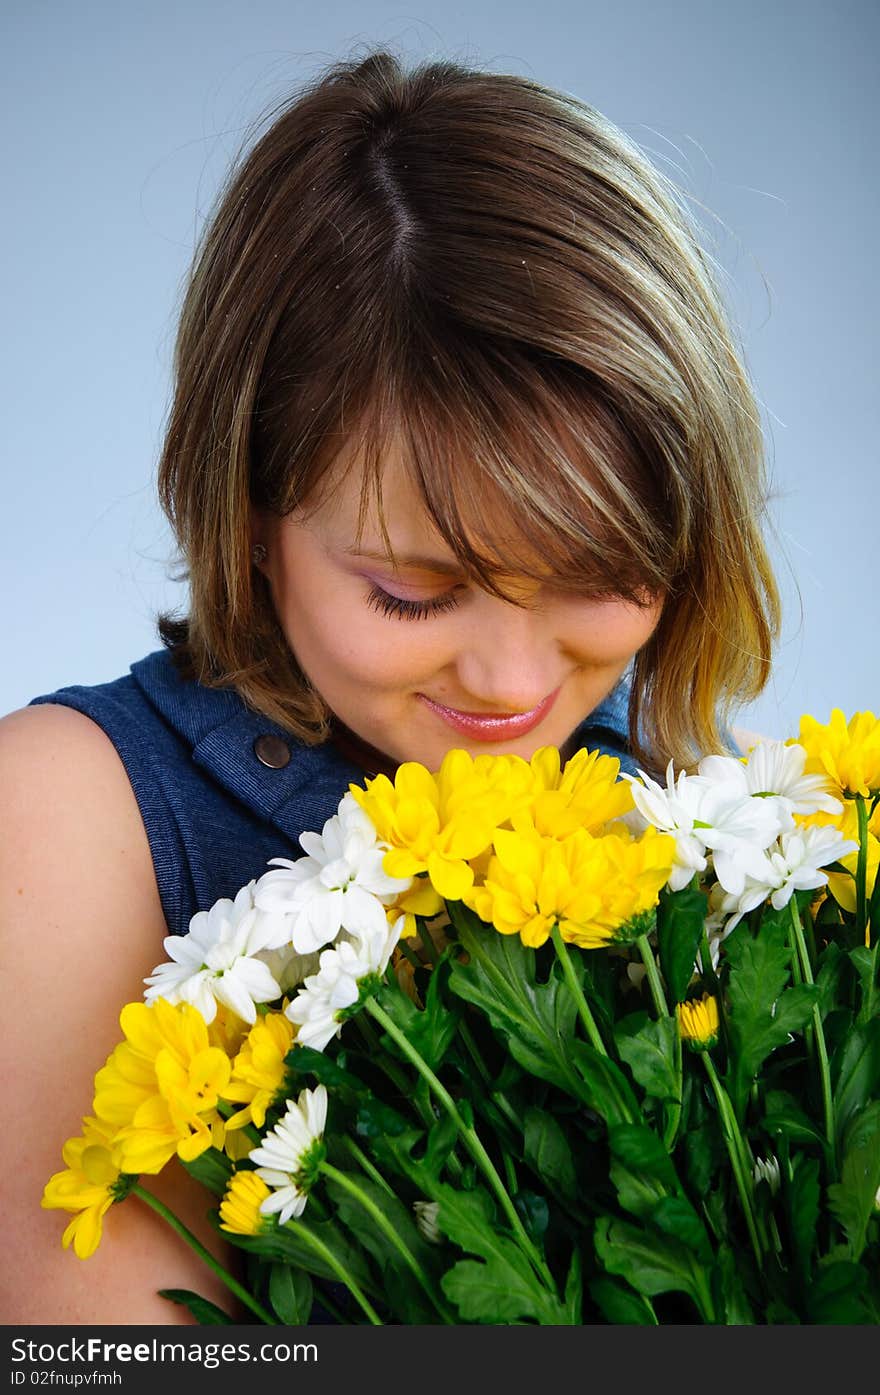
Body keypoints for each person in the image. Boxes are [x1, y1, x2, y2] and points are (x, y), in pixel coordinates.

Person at [0, 46, 779, 1324]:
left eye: (600, 575)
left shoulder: (703, 801)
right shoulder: (64, 820)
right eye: (412, 594)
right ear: (247, 511)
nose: (517, 681)